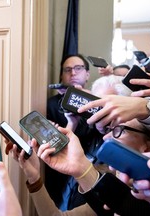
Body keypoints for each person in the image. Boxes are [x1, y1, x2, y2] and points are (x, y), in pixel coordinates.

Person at [8, 120, 150, 215]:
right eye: (109, 129)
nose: (106, 137)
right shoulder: (105, 183)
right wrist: (34, 177)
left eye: (119, 130)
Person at [46, 54, 102, 211]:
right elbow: (54, 147)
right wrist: (71, 123)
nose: (73, 73)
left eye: (78, 68)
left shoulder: (98, 100)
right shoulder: (51, 105)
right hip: (61, 176)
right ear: (62, 75)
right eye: (68, 70)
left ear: (88, 74)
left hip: (94, 172)